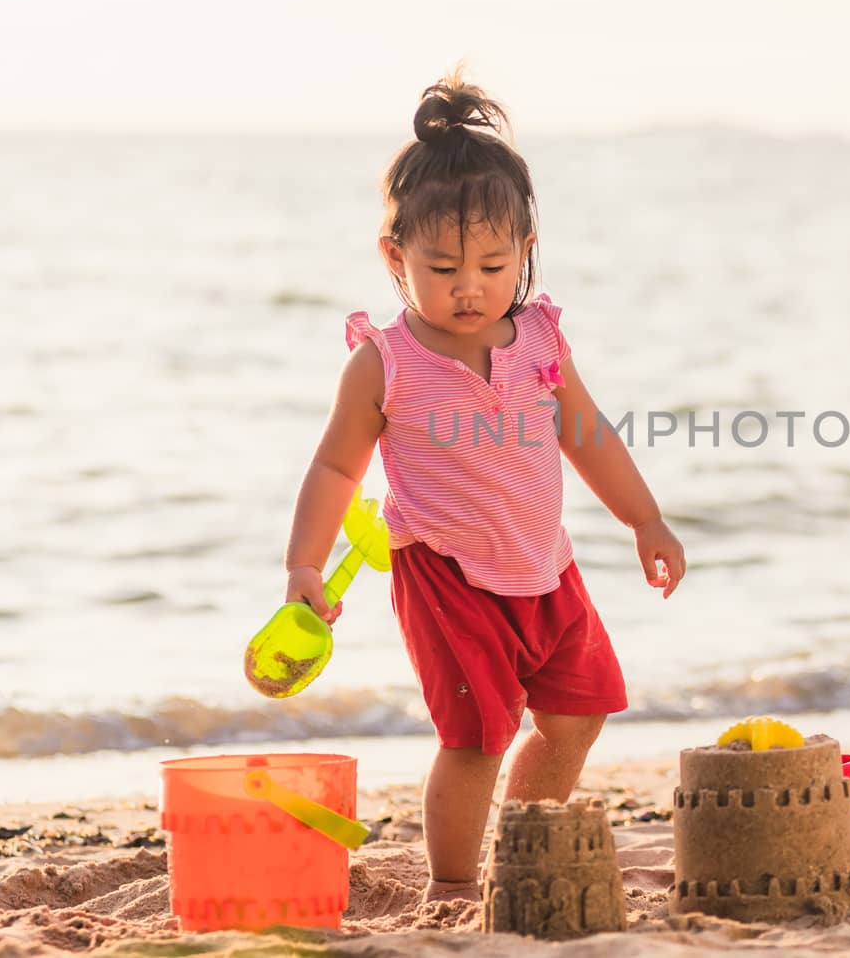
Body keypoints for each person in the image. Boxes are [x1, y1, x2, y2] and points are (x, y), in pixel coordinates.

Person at [281, 68, 686, 905]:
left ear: (525, 255)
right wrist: (303, 569)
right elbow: (333, 468)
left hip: (545, 569)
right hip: (446, 573)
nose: (469, 286)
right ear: (396, 258)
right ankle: (455, 885)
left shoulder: (538, 337)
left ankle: (522, 848)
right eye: (442, 267)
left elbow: (587, 433)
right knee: (475, 738)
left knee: (577, 716)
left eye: (493, 264)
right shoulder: (385, 363)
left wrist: (645, 518)